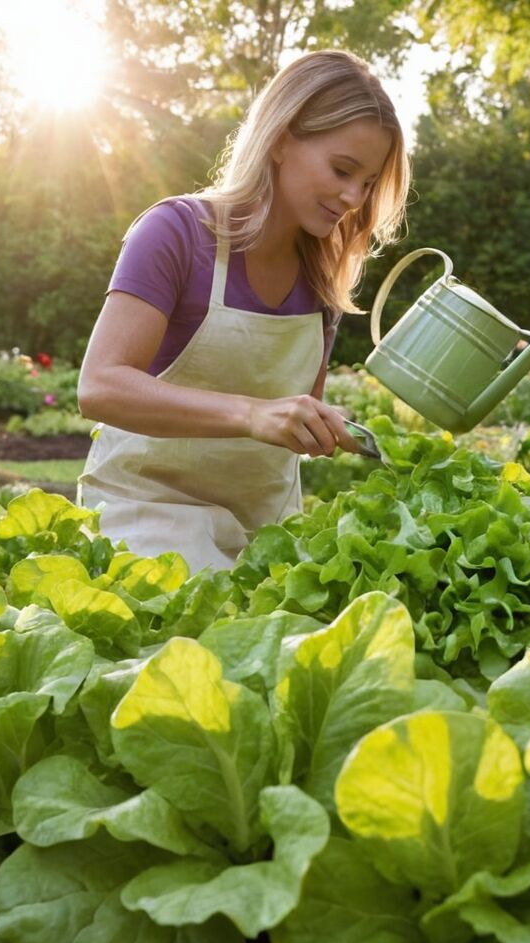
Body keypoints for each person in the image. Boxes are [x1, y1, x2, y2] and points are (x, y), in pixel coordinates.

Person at [76, 50, 410, 572]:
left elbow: (292, 419)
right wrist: (251, 414)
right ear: (281, 138)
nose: (353, 197)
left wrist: (330, 427)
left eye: (368, 184)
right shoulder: (176, 234)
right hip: (147, 520)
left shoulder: (323, 279)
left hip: (265, 536)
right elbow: (100, 386)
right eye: (343, 170)